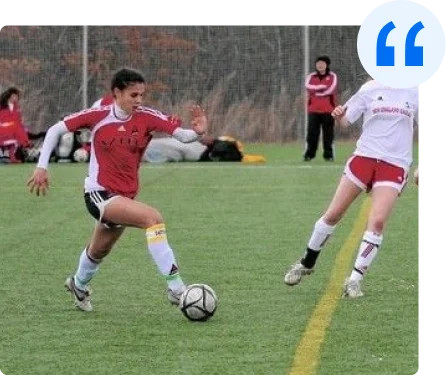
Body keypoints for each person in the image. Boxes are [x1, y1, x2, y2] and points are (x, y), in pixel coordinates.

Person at [26, 67, 208, 312]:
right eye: (133, 95)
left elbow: (183, 136)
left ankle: (78, 285)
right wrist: (41, 167)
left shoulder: (147, 117)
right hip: (98, 194)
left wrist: (198, 131)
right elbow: (56, 130)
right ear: (117, 93)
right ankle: (177, 290)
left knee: (98, 250)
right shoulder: (98, 115)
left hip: (123, 196)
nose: (139, 100)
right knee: (153, 219)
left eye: (142, 95)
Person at [284, 78, 420, 298]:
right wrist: (339, 116)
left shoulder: (415, 91)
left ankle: (355, 280)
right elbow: (347, 120)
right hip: (364, 157)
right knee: (333, 214)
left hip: (395, 164)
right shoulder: (369, 88)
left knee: (376, 222)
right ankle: (306, 262)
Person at [303, 55, 338, 162]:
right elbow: (308, 87)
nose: (320, 65)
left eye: (322, 63)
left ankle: (328, 155)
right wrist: (321, 88)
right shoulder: (311, 76)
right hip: (313, 110)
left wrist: (317, 91)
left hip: (328, 110)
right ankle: (310, 154)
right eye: (318, 64)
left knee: (328, 133)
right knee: (312, 132)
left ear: (327, 65)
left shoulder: (332, 76)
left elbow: (330, 89)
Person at [0, 86, 30, 163]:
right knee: (17, 128)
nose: (16, 98)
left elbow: (18, 119)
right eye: (15, 96)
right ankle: (26, 143)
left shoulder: (16, 107)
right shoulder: (2, 105)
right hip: (2, 126)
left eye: (17, 96)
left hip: (13, 127)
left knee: (18, 129)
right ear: (10, 95)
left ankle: (13, 158)